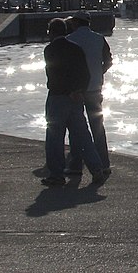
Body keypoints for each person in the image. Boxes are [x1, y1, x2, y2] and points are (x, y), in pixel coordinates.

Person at [42, 18, 106, 186]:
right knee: (83, 136)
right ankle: (97, 168)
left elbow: (54, 75)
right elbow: (85, 74)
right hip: (78, 97)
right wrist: (78, 90)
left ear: (52, 32)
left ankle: (56, 174)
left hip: (58, 97)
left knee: (55, 137)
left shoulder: (50, 50)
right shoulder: (76, 49)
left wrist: (67, 91)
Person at [65, 11, 112, 178]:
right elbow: (108, 61)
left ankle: (76, 165)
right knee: (98, 127)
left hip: (76, 90)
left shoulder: (69, 39)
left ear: (76, 23)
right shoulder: (99, 39)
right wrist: (99, 72)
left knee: (77, 128)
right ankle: (104, 163)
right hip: (95, 88)